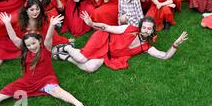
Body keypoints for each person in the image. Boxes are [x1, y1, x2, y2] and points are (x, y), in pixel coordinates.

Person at [51, 14, 188, 73]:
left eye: (149, 28)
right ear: (140, 27)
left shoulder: (146, 47)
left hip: (108, 54)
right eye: (144, 27)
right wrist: (92, 24)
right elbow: (108, 28)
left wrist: (175, 44)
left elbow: (164, 56)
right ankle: (67, 47)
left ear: (152, 30)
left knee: (90, 68)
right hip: (104, 39)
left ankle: (64, 56)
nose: (146, 30)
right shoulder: (130, 28)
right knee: (81, 58)